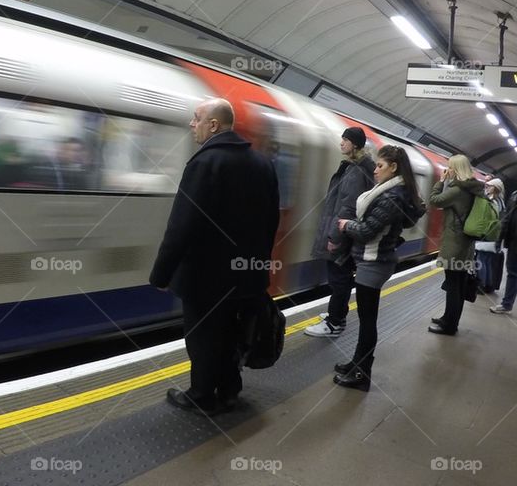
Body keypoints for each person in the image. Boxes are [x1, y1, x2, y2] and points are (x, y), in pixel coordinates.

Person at [149, 98, 280, 414]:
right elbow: (271, 221)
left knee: (202, 336)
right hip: (245, 275)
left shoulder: (204, 164)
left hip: (205, 277)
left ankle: (203, 395)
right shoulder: (262, 164)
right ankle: (230, 391)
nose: (191, 124)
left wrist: (161, 274)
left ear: (214, 125)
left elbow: (182, 225)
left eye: (196, 118)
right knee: (230, 332)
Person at [333, 145, 424, 390]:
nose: (375, 171)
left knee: (367, 320)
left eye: (380, 166)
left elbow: (367, 230)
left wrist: (346, 225)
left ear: (393, 168)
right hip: (372, 261)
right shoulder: (392, 192)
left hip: (374, 263)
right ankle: (356, 364)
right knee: (365, 319)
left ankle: (361, 375)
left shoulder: (392, 196)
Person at [305, 126, 375, 338]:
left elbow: (348, 207)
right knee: (339, 277)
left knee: (339, 278)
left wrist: (334, 237)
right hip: (344, 232)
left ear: (355, 144)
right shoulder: (356, 166)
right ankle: (335, 314)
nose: (341, 143)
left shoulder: (357, 170)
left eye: (345, 140)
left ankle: (335, 322)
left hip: (342, 235)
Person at [428, 155, 484, 336]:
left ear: (456, 169)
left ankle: (449, 326)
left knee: (453, 286)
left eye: (450, 167)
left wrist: (440, 181)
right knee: (458, 284)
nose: (448, 170)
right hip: (466, 243)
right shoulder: (471, 188)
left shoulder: (458, 189)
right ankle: (449, 319)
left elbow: (435, 200)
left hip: (454, 243)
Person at [475, 178, 505, 294]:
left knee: (481, 260)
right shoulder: (501, 201)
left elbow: (486, 218)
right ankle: (488, 285)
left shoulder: (492, 201)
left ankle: (481, 285)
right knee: (487, 261)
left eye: (489, 186)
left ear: (496, 188)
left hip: (487, 235)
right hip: (493, 236)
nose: (487, 187)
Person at [490, 186, 517, 314]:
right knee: (512, 273)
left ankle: (507, 304)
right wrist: (499, 239)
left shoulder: (514, 196)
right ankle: (507, 304)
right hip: (513, 243)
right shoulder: (514, 196)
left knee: (513, 274)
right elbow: (506, 219)